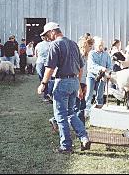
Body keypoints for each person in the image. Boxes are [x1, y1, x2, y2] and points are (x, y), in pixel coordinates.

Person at [37, 22, 91, 154]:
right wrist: (78, 85)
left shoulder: (55, 44)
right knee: (71, 113)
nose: (46, 38)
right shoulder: (73, 43)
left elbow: (50, 68)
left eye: (47, 35)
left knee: (60, 115)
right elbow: (81, 67)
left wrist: (43, 84)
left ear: (52, 32)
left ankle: (66, 146)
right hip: (73, 82)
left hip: (62, 82)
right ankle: (84, 137)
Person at [84, 36, 112, 118]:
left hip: (102, 77)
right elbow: (91, 65)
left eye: (102, 45)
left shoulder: (106, 54)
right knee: (89, 94)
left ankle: (99, 113)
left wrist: (107, 72)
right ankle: (87, 112)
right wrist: (101, 68)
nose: (101, 47)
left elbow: (109, 65)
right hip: (91, 76)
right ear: (95, 46)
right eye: (100, 45)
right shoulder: (91, 54)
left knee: (100, 95)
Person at [35, 35, 52, 102]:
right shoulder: (51, 44)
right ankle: (48, 94)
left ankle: (45, 95)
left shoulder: (38, 45)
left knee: (42, 79)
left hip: (40, 62)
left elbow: (35, 54)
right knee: (49, 79)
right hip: (48, 63)